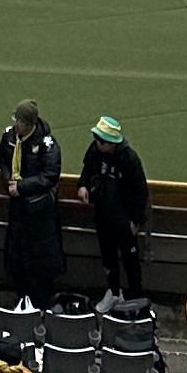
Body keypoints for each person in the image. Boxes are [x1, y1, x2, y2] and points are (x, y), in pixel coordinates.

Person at [0, 104, 65, 305]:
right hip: (17, 208)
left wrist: (22, 186)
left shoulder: (47, 145)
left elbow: (50, 175)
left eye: (19, 121)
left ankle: (41, 302)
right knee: (17, 253)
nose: (15, 124)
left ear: (29, 124)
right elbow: (2, 160)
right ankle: (21, 295)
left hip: (38, 210)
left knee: (39, 259)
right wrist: (8, 179)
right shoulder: (9, 137)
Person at [77, 119, 150, 303]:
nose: (97, 143)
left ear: (112, 143)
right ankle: (113, 292)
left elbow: (141, 191)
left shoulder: (130, 159)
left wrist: (137, 221)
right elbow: (86, 171)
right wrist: (83, 186)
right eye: (96, 139)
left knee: (130, 261)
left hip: (124, 221)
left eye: (101, 141)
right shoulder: (95, 150)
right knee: (108, 257)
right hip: (103, 215)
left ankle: (134, 298)